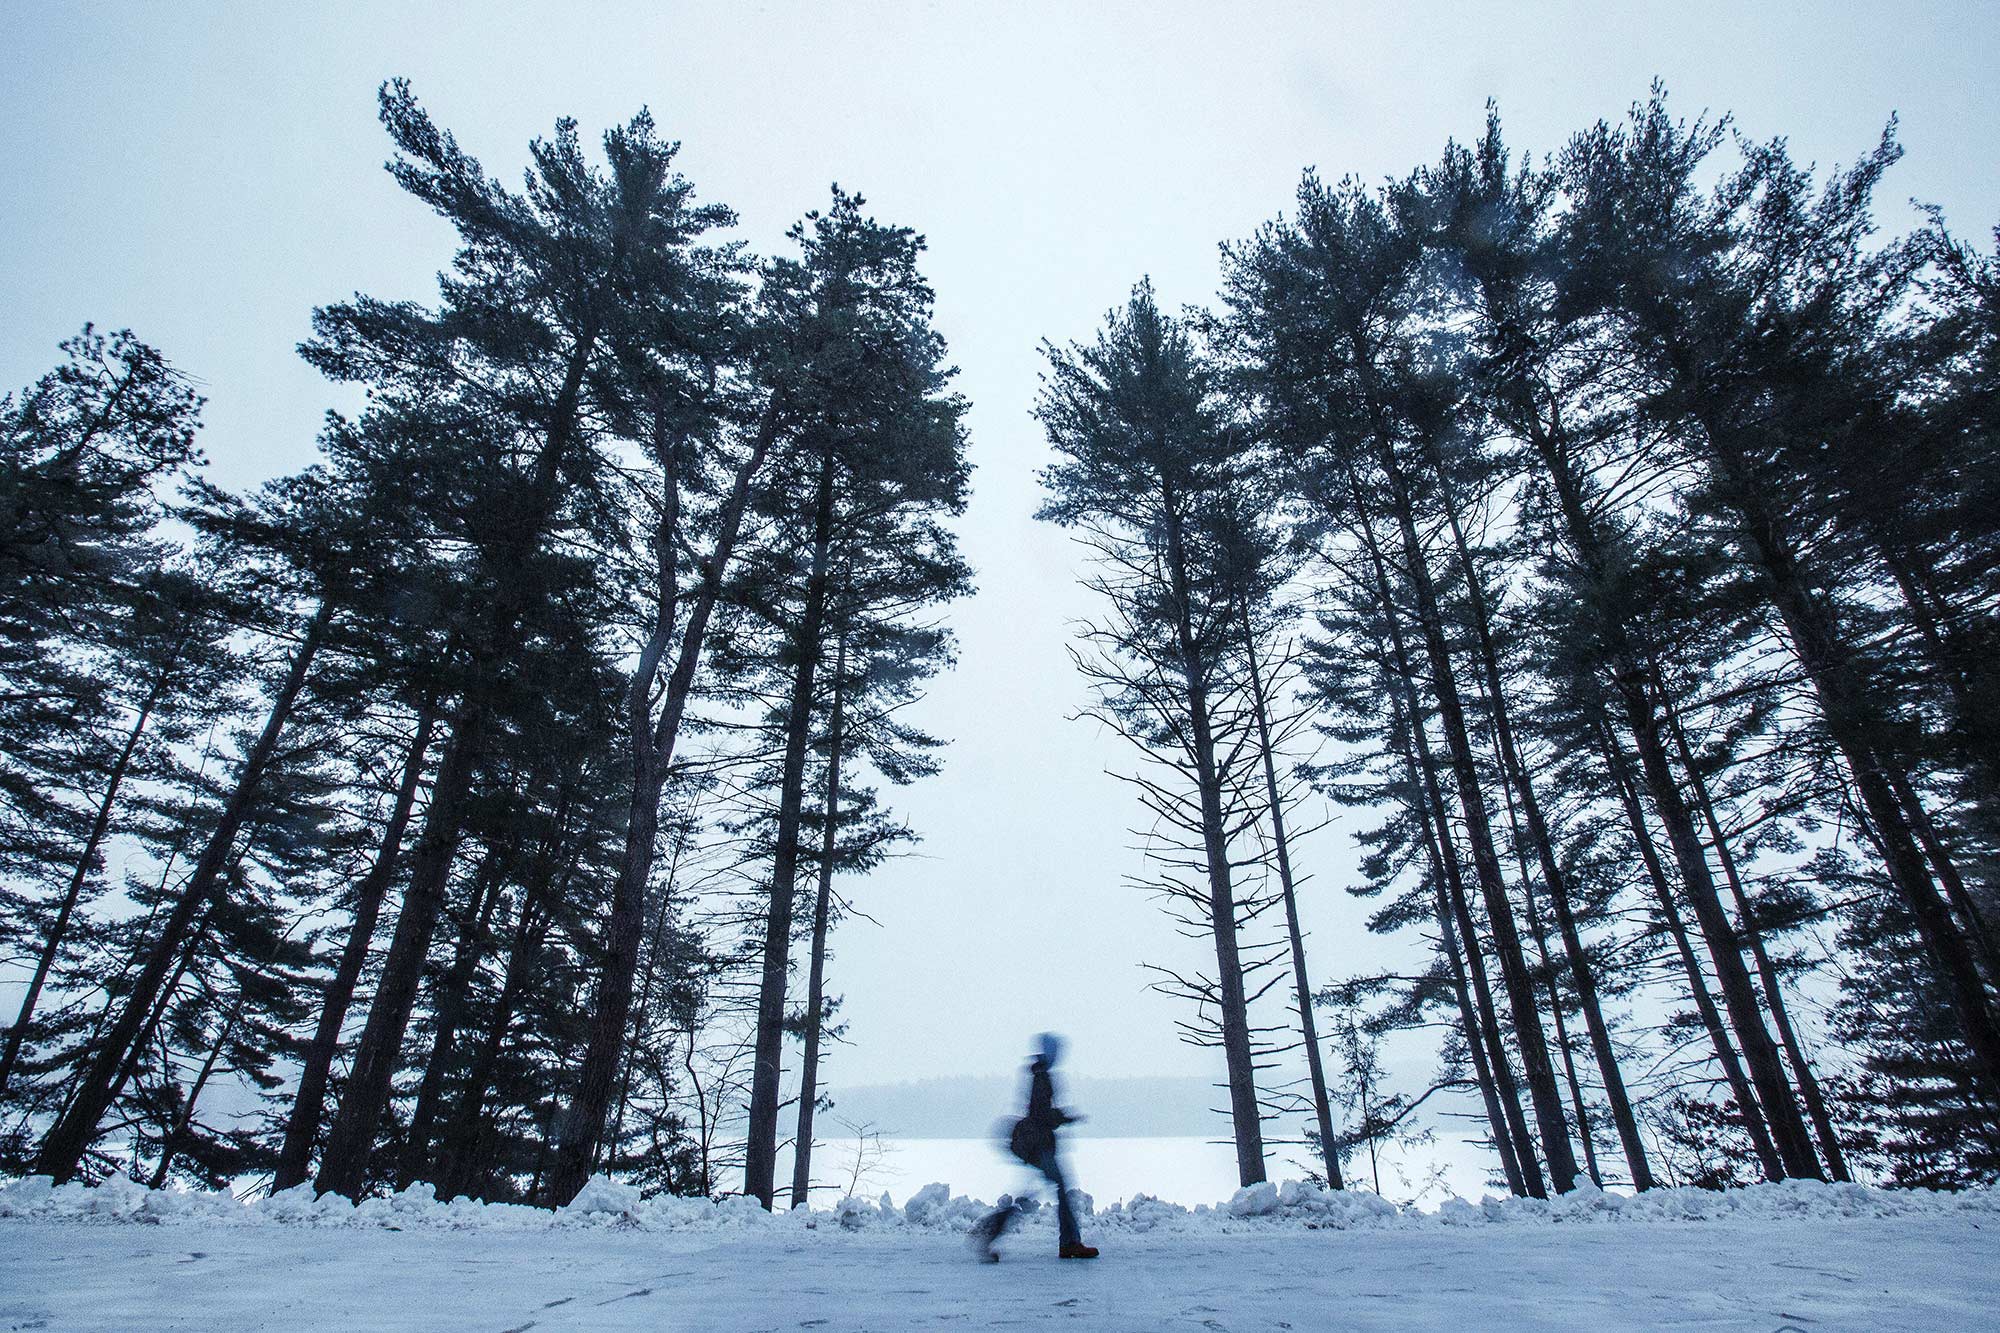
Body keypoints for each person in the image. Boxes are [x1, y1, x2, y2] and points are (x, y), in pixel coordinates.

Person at [969, 1033, 1099, 1261]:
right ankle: (1069, 1243)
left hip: (1037, 1144)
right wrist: (1066, 1116)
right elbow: (1041, 1114)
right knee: (1056, 1189)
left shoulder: (1040, 1074)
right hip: (1039, 1145)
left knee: (1037, 1192)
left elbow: (1038, 1113)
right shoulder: (1042, 1078)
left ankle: (990, 1231)